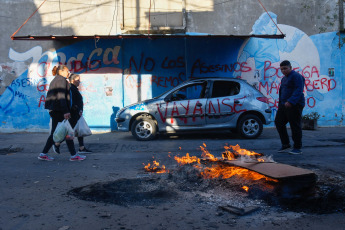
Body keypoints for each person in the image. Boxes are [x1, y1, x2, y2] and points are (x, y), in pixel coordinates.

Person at [38, 65, 86, 161]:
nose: (68, 73)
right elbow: (61, 97)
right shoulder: (61, 80)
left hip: (56, 110)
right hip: (59, 110)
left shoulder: (57, 79)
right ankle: (73, 155)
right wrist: (66, 111)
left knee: (58, 132)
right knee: (67, 131)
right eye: (67, 71)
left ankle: (44, 153)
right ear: (61, 71)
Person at [275, 60, 305, 155]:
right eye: (282, 69)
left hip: (294, 105)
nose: (283, 70)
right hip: (284, 105)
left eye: (285, 68)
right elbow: (282, 92)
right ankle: (286, 144)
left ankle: (297, 147)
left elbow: (298, 90)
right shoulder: (284, 79)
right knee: (279, 122)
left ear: (290, 67)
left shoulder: (297, 76)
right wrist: (280, 104)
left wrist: (291, 101)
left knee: (295, 125)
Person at [69, 73, 92, 154]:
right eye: (77, 80)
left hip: (77, 114)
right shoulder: (71, 89)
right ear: (72, 80)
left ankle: (81, 148)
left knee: (79, 130)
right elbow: (72, 102)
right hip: (73, 114)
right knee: (69, 131)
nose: (79, 82)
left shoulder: (74, 88)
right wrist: (77, 109)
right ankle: (57, 143)